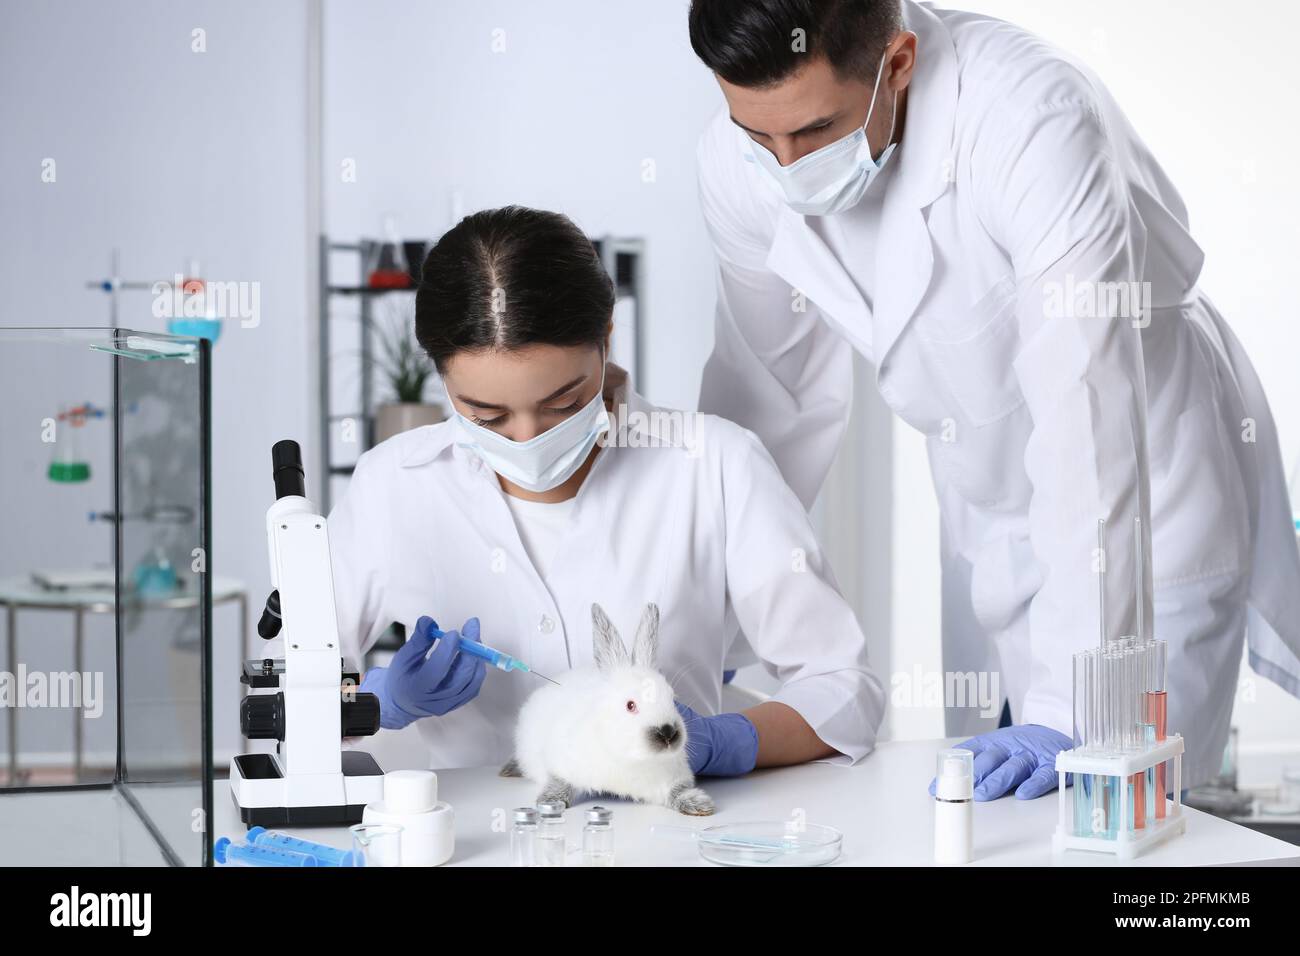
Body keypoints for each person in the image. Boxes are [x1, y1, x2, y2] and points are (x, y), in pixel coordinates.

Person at [688, 0, 1300, 797]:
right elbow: (768, 403)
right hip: (985, 499)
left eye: (812, 133)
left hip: (1146, 484)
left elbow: (1087, 414)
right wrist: (705, 623)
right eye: (756, 135)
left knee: (1122, 811)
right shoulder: (734, 165)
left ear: (898, 64)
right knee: (989, 812)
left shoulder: (1032, 120)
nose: (782, 166)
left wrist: (1076, 712)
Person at [329, 205, 885, 776]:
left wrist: (723, 742)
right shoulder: (393, 484)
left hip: (668, 831)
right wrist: (377, 701)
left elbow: (843, 688)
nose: (527, 439)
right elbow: (285, 697)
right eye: (486, 415)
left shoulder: (713, 463)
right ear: (442, 376)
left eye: (562, 403)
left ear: (607, 339)